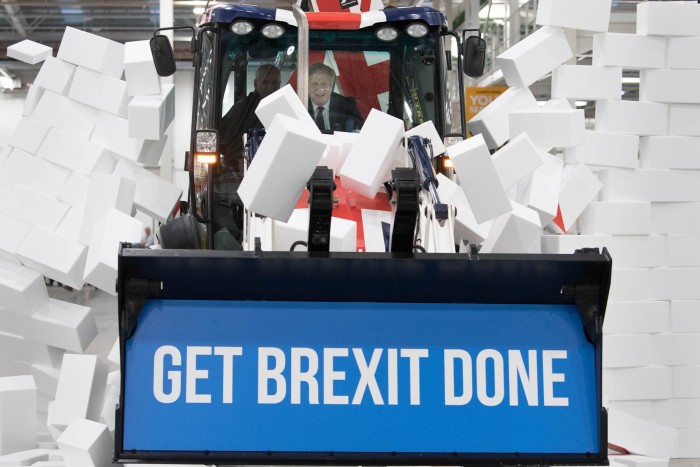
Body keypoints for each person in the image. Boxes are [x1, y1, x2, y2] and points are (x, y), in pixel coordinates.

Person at [219, 64, 281, 176]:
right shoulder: (242, 108)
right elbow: (224, 139)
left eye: (275, 83)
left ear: (280, 84)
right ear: (255, 84)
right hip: (241, 171)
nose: (271, 87)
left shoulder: (285, 109)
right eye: (265, 82)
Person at [308, 62, 363, 133]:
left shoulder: (348, 105)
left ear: (332, 87)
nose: (319, 89)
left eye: (324, 84)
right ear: (307, 86)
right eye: (315, 84)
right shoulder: (298, 104)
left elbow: (358, 133)